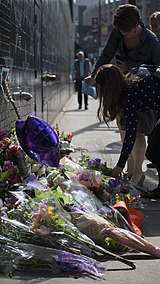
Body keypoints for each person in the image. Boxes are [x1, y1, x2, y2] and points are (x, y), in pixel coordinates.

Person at [85, 4, 160, 186]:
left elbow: (159, 67)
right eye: (121, 32)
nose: (124, 35)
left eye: (127, 32)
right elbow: (106, 54)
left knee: (139, 132)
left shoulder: (151, 42)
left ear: (137, 25)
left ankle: (137, 173)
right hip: (125, 83)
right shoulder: (118, 33)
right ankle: (130, 169)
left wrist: (144, 76)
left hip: (145, 90)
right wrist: (95, 74)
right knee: (124, 127)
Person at [95, 64, 160, 198]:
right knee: (154, 148)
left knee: (154, 149)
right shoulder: (131, 81)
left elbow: (131, 133)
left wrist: (120, 165)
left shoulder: (128, 93)